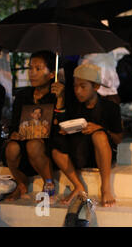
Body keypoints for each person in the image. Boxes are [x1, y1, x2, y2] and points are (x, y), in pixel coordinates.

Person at [51, 63, 123, 207]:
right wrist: (60, 102)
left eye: (83, 86)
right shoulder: (74, 105)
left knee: (99, 136)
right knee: (55, 145)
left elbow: (118, 139)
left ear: (95, 87)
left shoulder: (110, 107)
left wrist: (100, 128)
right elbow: (57, 126)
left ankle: (105, 188)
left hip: (102, 155)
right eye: (75, 86)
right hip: (79, 153)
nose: (78, 91)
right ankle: (78, 186)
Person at [2, 50, 65, 201]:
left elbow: (62, 125)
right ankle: (21, 184)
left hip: (49, 145)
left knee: (34, 145)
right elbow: (15, 123)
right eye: (30, 68)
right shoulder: (23, 95)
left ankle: (48, 183)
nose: (32, 73)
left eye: (38, 69)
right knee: (11, 148)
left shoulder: (57, 94)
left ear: (51, 74)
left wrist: (60, 100)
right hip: (25, 141)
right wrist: (14, 134)